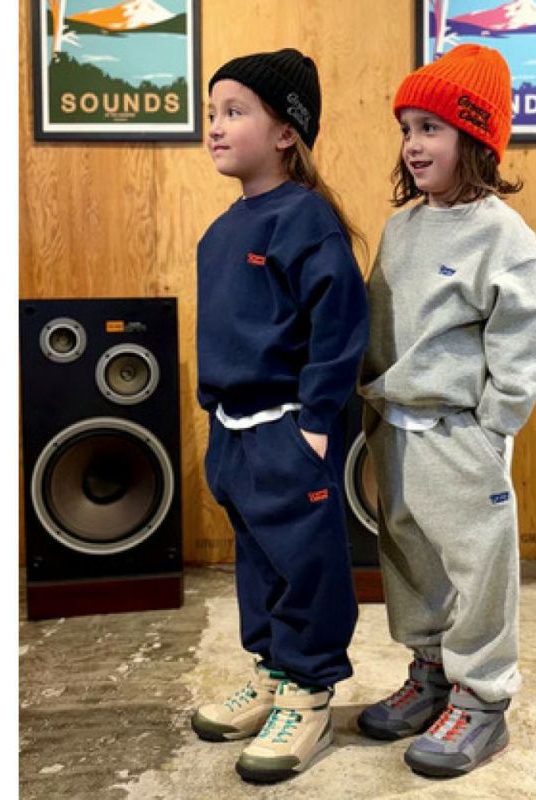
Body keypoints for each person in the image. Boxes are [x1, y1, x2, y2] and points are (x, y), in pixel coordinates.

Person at [357, 44, 536, 778]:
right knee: (409, 557)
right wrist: (371, 401)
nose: (412, 144)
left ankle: (482, 700)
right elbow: (380, 325)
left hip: (459, 433)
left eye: (430, 128)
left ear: (475, 137)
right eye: (406, 128)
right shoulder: (401, 229)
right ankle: (431, 673)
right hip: (394, 431)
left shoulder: (503, 235)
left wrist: (494, 427)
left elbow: (522, 345)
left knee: (479, 566)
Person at [191, 47, 369, 784]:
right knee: (259, 564)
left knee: (306, 566)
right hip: (234, 431)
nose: (214, 126)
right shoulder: (221, 232)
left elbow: (340, 325)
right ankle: (271, 673)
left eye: (235, 112)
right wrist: (215, 416)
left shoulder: (307, 221)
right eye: (212, 113)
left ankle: (308, 692)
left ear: (287, 132)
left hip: (289, 426)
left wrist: (316, 423)